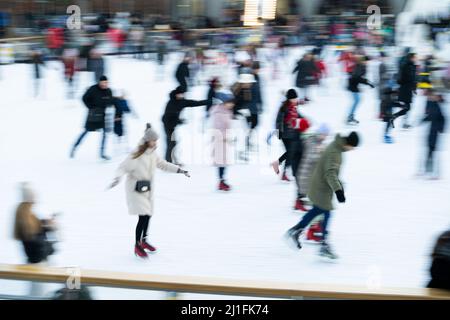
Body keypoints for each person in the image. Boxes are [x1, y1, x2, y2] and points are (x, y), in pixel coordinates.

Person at [109, 124, 190, 259]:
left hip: (147, 189)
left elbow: (163, 164)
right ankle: (137, 245)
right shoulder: (137, 154)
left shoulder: (152, 154)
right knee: (143, 216)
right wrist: (117, 178)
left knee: (148, 215)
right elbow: (122, 167)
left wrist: (180, 170)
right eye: (153, 140)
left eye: (156, 140)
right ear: (147, 140)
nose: (155, 143)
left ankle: (144, 241)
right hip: (135, 189)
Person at [286, 132, 360, 259]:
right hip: (322, 188)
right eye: (353, 147)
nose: (352, 150)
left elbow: (330, 171)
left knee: (318, 211)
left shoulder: (336, 147)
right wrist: (338, 191)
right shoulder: (335, 152)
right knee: (326, 212)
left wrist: (339, 185)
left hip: (320, 186)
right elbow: (330, 173)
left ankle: (297, 231)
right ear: (349, 144)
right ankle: (323, 244)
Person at [13, 182, 57, 296]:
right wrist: (50, 244)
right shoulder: (24, 216)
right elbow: (35, 244)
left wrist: (47, 225)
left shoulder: (29, 215)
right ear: (29, 199)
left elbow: (37, 233)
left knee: (36, 294)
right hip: (36, 264)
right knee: (38, 295)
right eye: (33, 197)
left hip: (38, 263)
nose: (35, 200)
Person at [162, 86, 210, 163]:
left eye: (183, 94)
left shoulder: (182, 101)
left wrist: (208, 101)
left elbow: (195, 103)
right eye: (181, 94)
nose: (182, 95)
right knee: (171, 143)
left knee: (173, 143)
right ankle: (168, 162)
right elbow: (170, 115)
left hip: (173, 124)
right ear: (176, 94)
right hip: (167, 124)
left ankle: (171, 160)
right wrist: (179, 121)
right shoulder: (171, 102)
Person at [70, 75, 114, 160]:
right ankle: (75, 147)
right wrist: (90, 107)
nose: (105, 84)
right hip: (93, 114)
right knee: (86, 131)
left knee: (105, 134)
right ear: (100, 82)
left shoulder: (108, 91)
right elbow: (84, 98)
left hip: (103, 115)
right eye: (104, 82)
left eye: (106, 82)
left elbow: (110, 101)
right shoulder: (93, 89)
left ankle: (102, 153)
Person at [271, 89, 310, 181]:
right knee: (290, 153)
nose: (295, 100)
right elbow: (278, 121)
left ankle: (279, 166)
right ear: (289, 99)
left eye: (296, 98)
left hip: (293, 133)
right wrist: (279, 133)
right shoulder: (284, 108)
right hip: (285, 134)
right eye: (293, 99)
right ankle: (283, 170)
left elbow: (297, 115)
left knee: (290, 153)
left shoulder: (294, 106)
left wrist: (305, 119)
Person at [294, 123, 330, 212]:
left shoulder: (318, 142)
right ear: (320, 133)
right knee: (307, 189)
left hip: (311, 171)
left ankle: (300, 203)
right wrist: (321, 153)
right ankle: (300, 203)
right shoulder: (312, 141)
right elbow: (310, 157)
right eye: (324, 135)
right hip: (306, 171)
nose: (325, 137)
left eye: (326, 135)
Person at [210, 92, 235, 191]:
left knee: (224, 161)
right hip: (219, 140)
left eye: (232, 102)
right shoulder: (218, 113)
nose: (232, 104)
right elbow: (217, 128)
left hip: (224, 140)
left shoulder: (227, 111)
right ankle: (221, 181)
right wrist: (224, 137)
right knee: (221, 161)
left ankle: (222, 180)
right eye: (230, 102)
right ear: (224, 102)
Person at [420, 90, 446, 178]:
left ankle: (435, 173)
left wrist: (441, 129)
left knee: (433, 151)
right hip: (431, 130)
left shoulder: (437, 105)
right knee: (429, 150)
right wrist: (422, 120)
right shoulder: (432, 104)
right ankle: (427, 170)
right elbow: (430, 116)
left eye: (431, 96)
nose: (429, 97)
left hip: (435, 131)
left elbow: (442, 118)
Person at [346, 56, 375, 125]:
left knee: (357, 101)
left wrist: (367, 82)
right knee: (357, 101)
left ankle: (350, 116)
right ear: (363, 61)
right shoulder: (360, 66)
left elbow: (358, 77)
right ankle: (350, 117)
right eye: (366, 61)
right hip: (353, 85)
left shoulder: (360, 66)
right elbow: (357, 77)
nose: (367, 63)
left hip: (353, 84)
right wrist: (368, 83)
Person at [393, 52, 417, 129]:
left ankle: (401, 120)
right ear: (411, 58)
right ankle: (395, 117)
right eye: (414, 57)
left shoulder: (411, 66)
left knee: (407, 107)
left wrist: (414, 88)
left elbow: (413, 78)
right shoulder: (407, 66)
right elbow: (408, 78)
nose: (415, 59)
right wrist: (412, 86)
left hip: (407, 89)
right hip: (405, 89)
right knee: (407, 107)